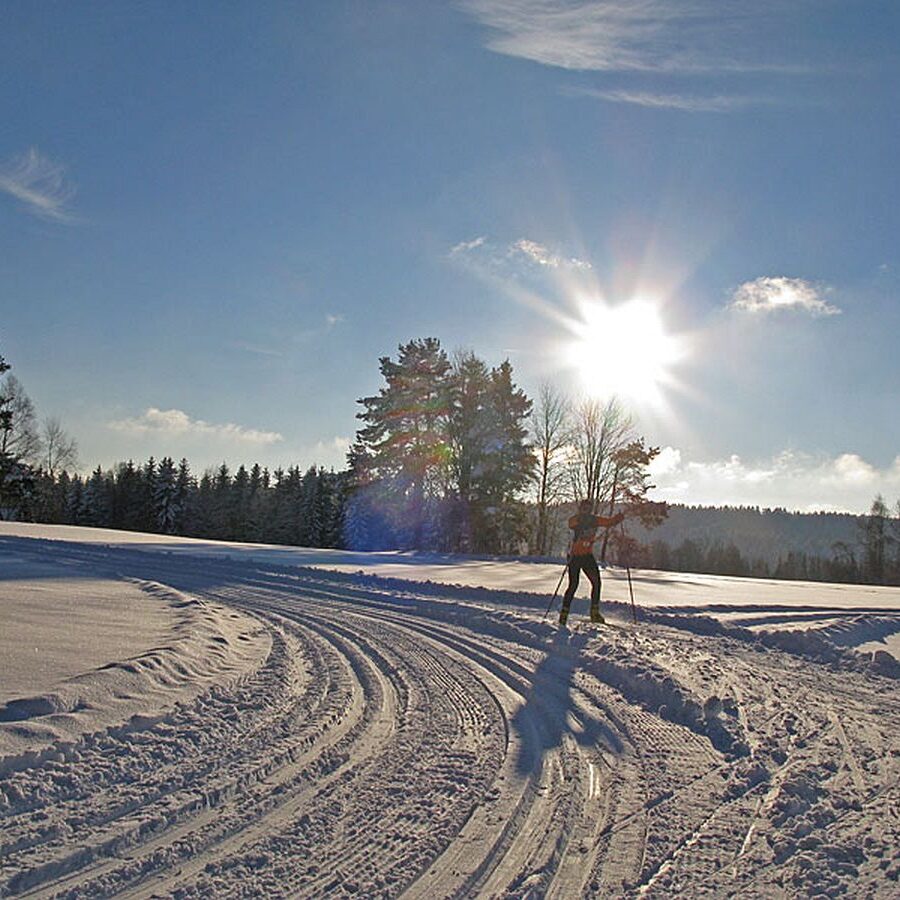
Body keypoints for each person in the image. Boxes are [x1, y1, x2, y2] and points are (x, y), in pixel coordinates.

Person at [559, 499, 625, 627]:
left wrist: (618, 519)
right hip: (575, 556)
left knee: (596, 582)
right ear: (581, 509)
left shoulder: (594, 520)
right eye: (584, 508)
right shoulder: (576, 519)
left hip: (587, 556)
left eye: (588, 508)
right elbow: (570, 523)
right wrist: (581, 522)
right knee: (573, 585)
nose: (586, 510)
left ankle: (594, 613)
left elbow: (608, 522)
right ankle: (564, 614)